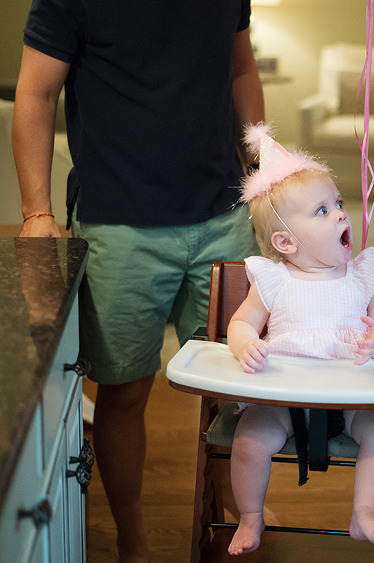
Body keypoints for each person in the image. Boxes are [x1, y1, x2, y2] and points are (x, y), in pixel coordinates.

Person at [13, 1, 265, 560]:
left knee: (239, 389)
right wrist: (37, 211)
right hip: (119, 226)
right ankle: (133, 538)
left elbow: (241, 70)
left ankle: (233, 522)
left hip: (223, 218)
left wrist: (258, 166)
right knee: (124, 392)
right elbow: (35, 94)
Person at [225, 123, 374, 555]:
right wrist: (246, 344)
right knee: (250, 437)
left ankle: (364, 512)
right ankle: (251, 515)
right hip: (286, 398)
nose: (342, 214)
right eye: (322, 211)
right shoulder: (273, 279)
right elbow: (241, 324)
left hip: (354, 396)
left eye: (338, 204)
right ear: (285, 241)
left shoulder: (362, 274)